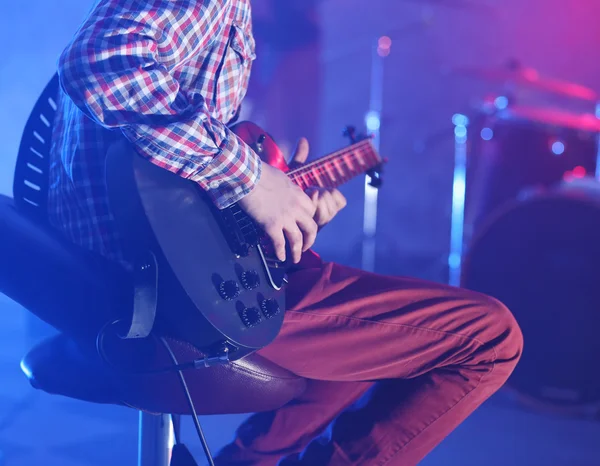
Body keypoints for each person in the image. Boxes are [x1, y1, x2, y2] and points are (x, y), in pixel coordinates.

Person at [48, 1, 523, 465]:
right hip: (166, 290)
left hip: (146, 272)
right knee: (491, 338)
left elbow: (175, 178)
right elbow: (99, 62)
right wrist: (251, 181)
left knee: (365, 355)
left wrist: (281, 201)